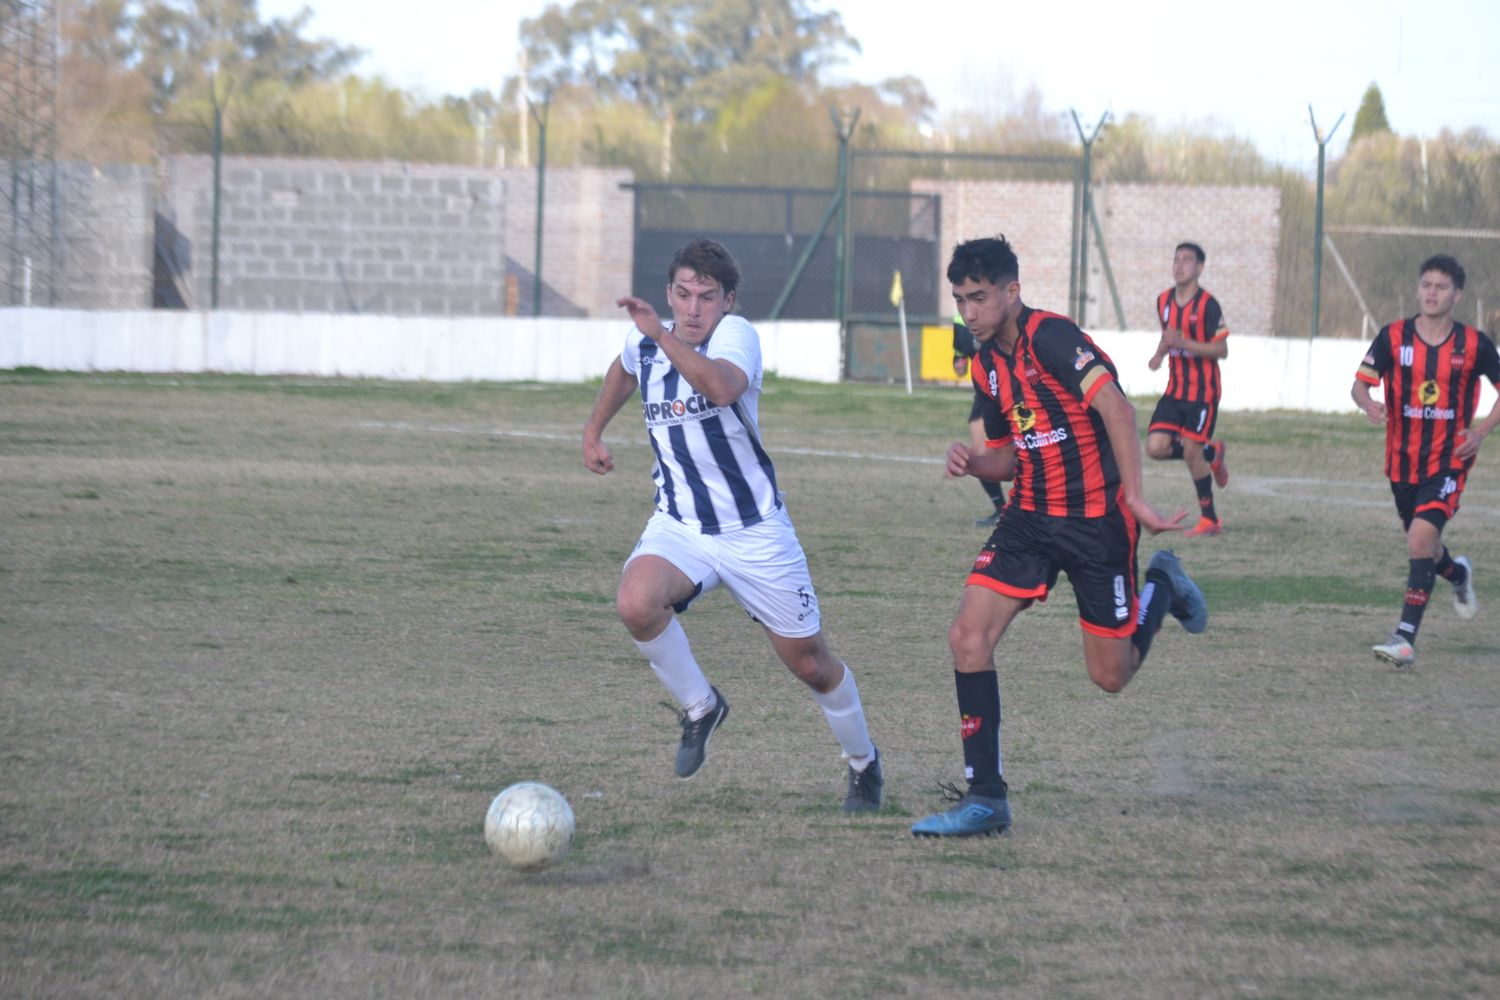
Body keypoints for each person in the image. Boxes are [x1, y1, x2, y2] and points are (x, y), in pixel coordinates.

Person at [911, 236, 1208, 839]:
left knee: (1111, 676)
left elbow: (1120, 412)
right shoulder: (985, 362)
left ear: (1011, 292)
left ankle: (1161, 583)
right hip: (1029, 520)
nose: (968, 311)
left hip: (1097, 522)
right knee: (968, 637)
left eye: (979, 298)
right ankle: (986, 797)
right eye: (960, 300)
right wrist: (973, 463)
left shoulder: (1052, 337)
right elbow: (1008, 456)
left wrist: (1133, 498)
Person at [581, 238, 883, 812]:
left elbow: (719, 387)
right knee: (635, 602)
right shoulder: (645, 342)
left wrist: (662, 335)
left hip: (755, 531)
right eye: (682, 295)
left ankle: (864, 762)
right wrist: (593, 430)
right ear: (669, 293)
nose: (693, 308)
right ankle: (701, 707)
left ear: (728, 301)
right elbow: (624, 369)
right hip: (681, 525)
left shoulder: (735, 337)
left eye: (707, 297)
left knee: (812, 665)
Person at [1351, 254, 1499, 669]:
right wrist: (1368, 404)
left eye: (1441, 286)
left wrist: (1480, 433)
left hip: (1449, 461)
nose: (1432, 292)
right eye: (1427, 285)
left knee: (1418, 540)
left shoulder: (1474, 345)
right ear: (1418, 289)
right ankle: (1458, 575)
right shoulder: (1392, 337)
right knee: (1427, 548)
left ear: (1457, 295)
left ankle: (1404, 638)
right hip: (1402, 465)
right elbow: (1358, 387)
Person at [1146, 242, 1231, 537]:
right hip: (1175, 390)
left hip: (1203, 393)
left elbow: (1222, 350)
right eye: (1176, 259)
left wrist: (1186, 344)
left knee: (1191, 450)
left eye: (1186, 260)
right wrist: (1159, 354)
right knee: (1155, 448)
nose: (1179, 265)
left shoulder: (1208, 305)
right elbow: (1169, 337)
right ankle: (1212, 451)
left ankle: (1210, 520)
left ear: (1199, 267)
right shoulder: (1163, 301)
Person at [953, 311, 1008, 526]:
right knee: (980, 454)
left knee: (1029, 452)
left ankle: (1026, 509)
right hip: (985, 394)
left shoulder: (997, 312)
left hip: (1010, 390)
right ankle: (1001, 510)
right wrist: (959, 364)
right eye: (959, 299)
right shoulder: (960, 320)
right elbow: (959, 358)